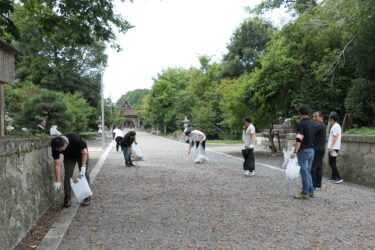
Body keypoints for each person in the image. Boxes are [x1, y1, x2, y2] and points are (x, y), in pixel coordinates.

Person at [51, 134, 91, 208]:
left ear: (66, 143)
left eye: (61, 149)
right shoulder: (55, 145)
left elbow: (84, 152)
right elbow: (57, 164)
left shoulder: (77, 140)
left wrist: (83, 166)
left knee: (84, 174)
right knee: (68, 175)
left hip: (81, 155)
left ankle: (87, 196)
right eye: (58, 150)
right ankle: (67, 197)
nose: (59, 151)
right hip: (69, 158)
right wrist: (57, 180)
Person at [291, 105, 315, 199]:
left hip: (304, 151)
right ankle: (310, 191)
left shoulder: (301, 124)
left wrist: (295, 152)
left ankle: (304, 193)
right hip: (312, 150)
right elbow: (308, 137)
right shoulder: (312, 123)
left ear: (300, 113)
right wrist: (296, 143)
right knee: (308, 172)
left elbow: (299, 138)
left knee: (304, 172)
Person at [311, 111, 326, 189]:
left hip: (317, 149)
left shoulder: (319, 125)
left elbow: (310, 132)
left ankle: (313, 184)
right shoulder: (322, 125)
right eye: (313, 117)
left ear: (321, 117)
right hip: (321, 148)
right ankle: (318, 184)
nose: (314, 118)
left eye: (316, 117)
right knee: (319, 167)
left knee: (314, 167)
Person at [328, 112, 343, 184]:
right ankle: (333, 176)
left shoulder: (336, 126)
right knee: (331, 162)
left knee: (332, 162)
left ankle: (339, 178)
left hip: (334, 147)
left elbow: (335, 136)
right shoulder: (335, 126)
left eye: (330, 119)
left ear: (332, 119)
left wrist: (331, 146)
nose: (329, 121)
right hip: (334, 147)